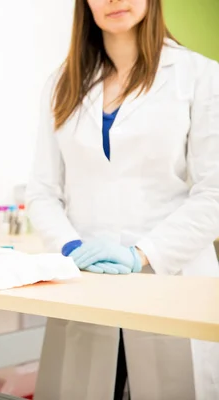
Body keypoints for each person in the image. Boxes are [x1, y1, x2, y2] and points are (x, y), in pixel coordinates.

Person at [25, 0, 219, 399]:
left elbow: (214, 192)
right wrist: (71, 246)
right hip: (86, 283)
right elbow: (43, 191)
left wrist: (141, 254)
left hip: (171, 278)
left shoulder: (199, 75)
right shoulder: (63, 82)